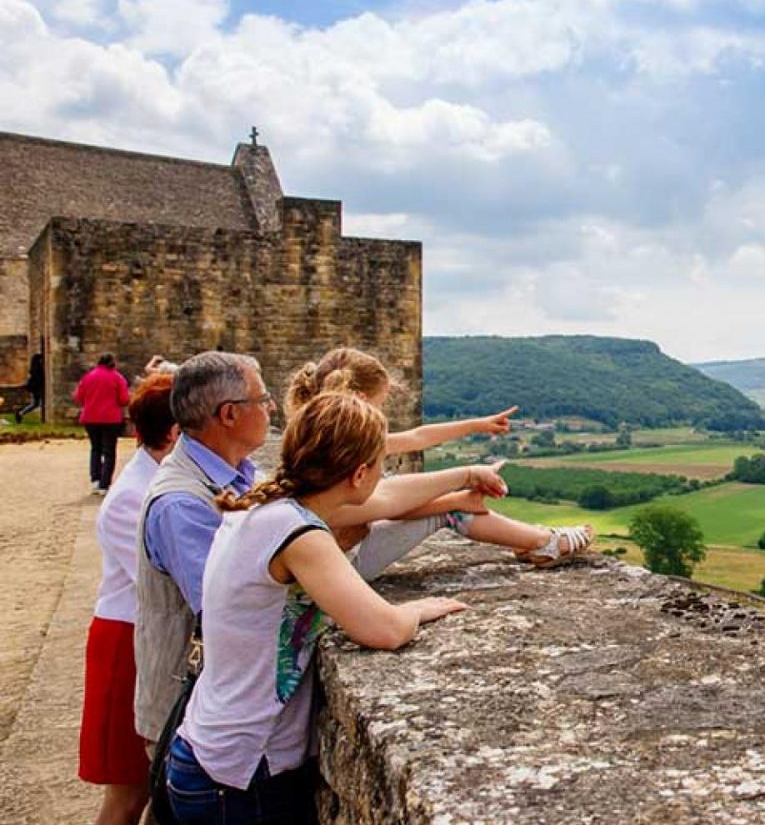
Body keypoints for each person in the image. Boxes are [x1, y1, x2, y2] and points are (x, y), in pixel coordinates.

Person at [134, 352, 504, 742]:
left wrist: (459, 482)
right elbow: (223, 611)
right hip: (202, 719)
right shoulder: (184, 504)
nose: (273, 407)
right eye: (261, 400)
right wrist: (402, 609)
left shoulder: (243, 480)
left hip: (220, 726)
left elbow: (380, 499)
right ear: (228, 414)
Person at [165, 391, 468, 823]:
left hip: (214, 754)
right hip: (241, 773)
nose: (383, 475)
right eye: (381, 463)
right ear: (360, 474)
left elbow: (389, 502)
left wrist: (465, 477)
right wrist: (417, 610)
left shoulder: (265, 507)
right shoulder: (297, 533)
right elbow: (384, 629)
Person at [285, 347, 594, 573]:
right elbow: (383, 505)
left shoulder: (317, 440)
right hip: (336, 569)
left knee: (442, 504)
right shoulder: (339, 456)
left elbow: (416, 440)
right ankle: (545, 542)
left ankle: (540, 541)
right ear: (362, 402)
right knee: (444, 512)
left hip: (332, 557)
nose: (382, 414)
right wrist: (462, 487)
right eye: (381, 405)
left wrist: (477, 425)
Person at [78, 373, 177, 825]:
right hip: (126, 643)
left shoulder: (156, 481)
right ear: (174, 433)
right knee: (127, 793)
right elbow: (160, 583)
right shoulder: (131, 498)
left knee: (158, 787)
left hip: (149, 640)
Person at [74, 353, 130, 493]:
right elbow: (124, 399)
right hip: (111, 418)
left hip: (90, 417)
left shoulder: (88, 377)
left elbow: (78, 397)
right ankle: (104, 484)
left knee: (96, 449)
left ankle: (95, 479)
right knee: (109, 451)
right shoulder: (117, 377)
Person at [13, 351, 43, 423]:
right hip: (36, 388)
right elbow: (38, 378)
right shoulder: (37, 368)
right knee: (36, 404)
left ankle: (20, 412)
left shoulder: (34, 367)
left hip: (34, 388)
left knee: (35, 403)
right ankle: (20, 412)